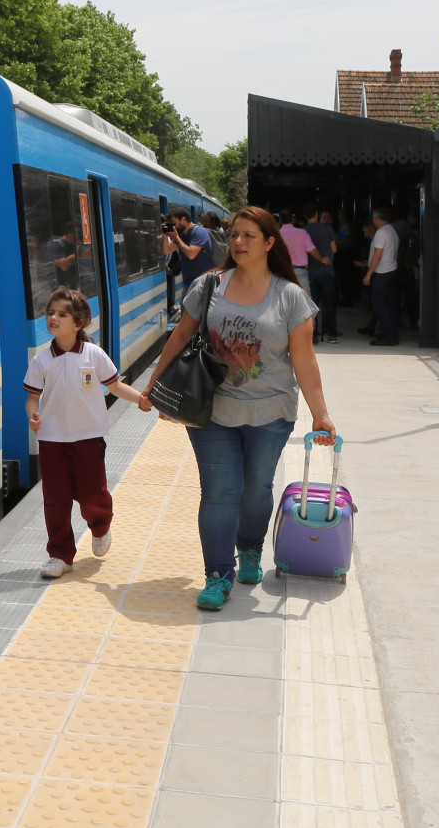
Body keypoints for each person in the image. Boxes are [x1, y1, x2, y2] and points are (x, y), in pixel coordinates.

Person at [142, 207, 337, 611]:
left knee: (255, 490)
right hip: (211, 410)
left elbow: (304, 360)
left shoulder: (290, 297)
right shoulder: (210, 286)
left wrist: (321, 413)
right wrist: (155, 385)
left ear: (269, 243)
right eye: (234, 235)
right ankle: (218, 574)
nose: (239, 243)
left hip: (270, 413)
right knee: (218, 492)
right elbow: (180, 336)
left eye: (249, 236)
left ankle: (249, 550)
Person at [24, 288, 152, 579]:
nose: (53, 318)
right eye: (50, 313)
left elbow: (116, 385)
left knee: (92, 495)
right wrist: (32, 415)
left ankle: (100, 525)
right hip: (52, 440)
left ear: (78, 323)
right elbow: (33, 397)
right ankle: (59, 554)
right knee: (55, 499)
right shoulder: (41, 361)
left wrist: (140, 399)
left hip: (88, 438)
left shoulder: (93, 354)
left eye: (62, 314)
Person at [162, 207, 214, 311]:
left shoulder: (199, 232)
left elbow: (191, 254)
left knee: (200, 318)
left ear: (183, 220)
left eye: (174, 223)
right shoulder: (182, 235)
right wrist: (165, 235)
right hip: (189, 283)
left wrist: (176, 238)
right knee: (186, 315)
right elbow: (167, 250)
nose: (174, 226)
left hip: (203, 283)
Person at [363, 208, 400, 346]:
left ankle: (389, 337)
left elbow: (378, 255)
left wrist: (368, 274)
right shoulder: (392, 230)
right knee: (390, 305)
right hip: (392, 270)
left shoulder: (381, 233)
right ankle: (391, 332)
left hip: (382, 273)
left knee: (380, 305)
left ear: (376, 219)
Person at [303, 207, 340, 343]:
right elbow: (334, 249)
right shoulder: (328, 229)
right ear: (317, 214)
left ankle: (313, 333)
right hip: (327, 271)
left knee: (313, 305)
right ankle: (332, 333)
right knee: (330, 304)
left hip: (311, 272)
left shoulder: (305, 231)